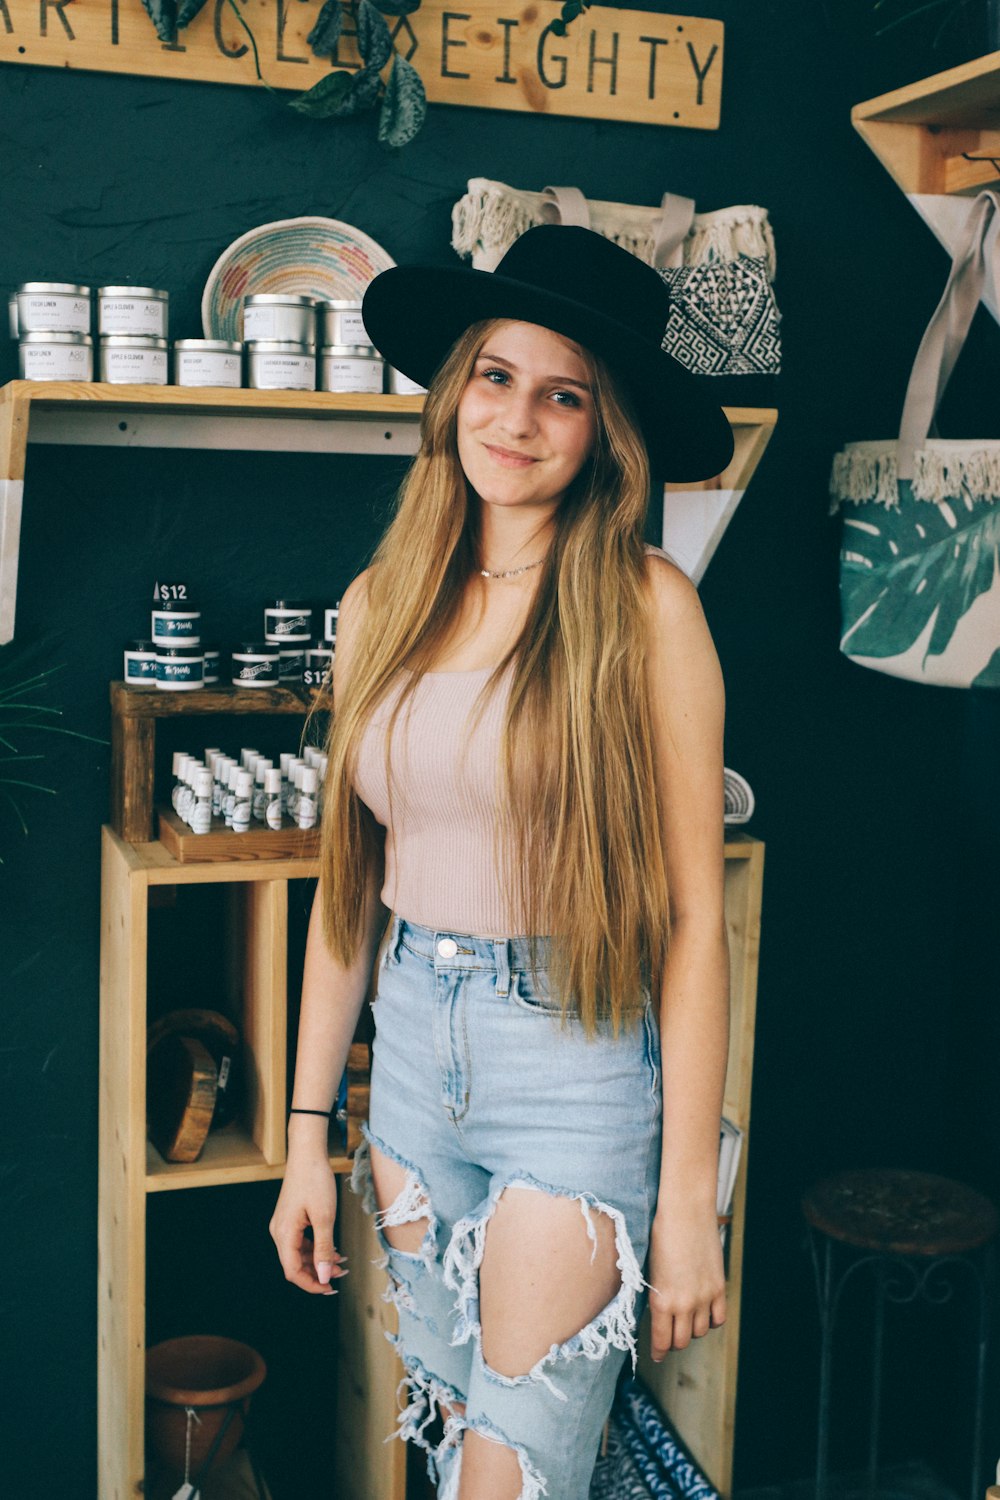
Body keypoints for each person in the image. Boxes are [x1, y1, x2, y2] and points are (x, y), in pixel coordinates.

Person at [269, 223, 735, 1500]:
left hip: (570, 1063)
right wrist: (307, 1135)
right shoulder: (383, 600)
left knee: (513, 1479)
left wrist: (684, 1204)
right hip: (413, 1062)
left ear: (603, 432)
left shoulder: (647, 612)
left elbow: (696, 922)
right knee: (448, 1432)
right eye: (495, 376)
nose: (517, 419)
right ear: (453, 391)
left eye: (562, 394)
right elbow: (346, 894)